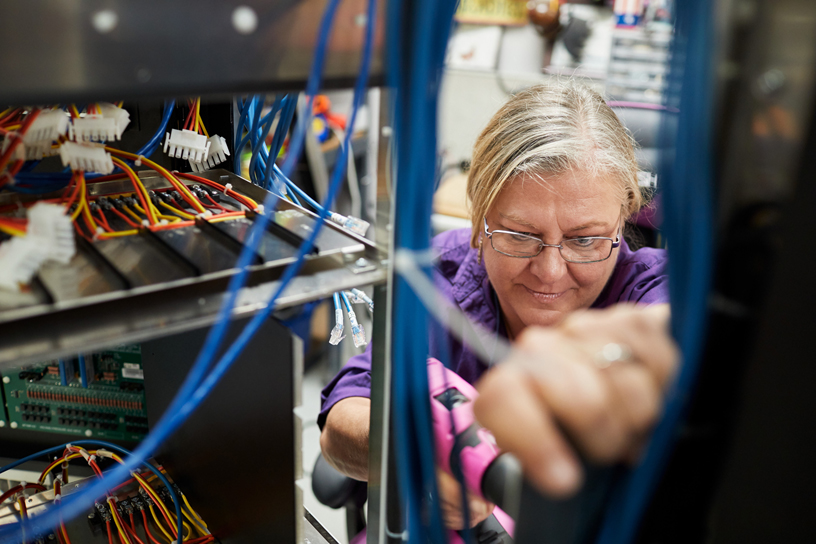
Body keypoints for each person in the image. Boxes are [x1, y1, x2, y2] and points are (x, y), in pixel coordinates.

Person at [318, 80, 677, 529]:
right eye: (520, 237)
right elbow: (341, 422)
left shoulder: (654, 287)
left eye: (584, 239)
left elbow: (668, 335)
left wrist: (623, 364)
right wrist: (417, 455)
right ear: (478, 221)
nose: (550, 271)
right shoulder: (439, 281)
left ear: (624, 214)